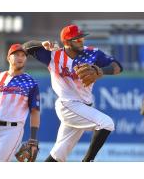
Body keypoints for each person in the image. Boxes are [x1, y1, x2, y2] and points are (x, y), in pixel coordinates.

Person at [23, 24, 123, 162]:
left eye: (82, 37)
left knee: (58, 156)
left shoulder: (93, 53)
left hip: (83, 108)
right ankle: (88, 161)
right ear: (67, 42)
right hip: (67, 104)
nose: (81, 41)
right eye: (77, 39)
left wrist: (101, 71)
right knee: (107, 123)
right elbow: (26, 47)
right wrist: (41, 43)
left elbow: (118, 67)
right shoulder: (53, 55)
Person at [0, 44, 40, 162]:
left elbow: (35, 111)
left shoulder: (31, 82)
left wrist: (33, 139)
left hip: (11, 131)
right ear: (8, 58)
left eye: (23, 55)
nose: (20, 58)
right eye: (16, 55)